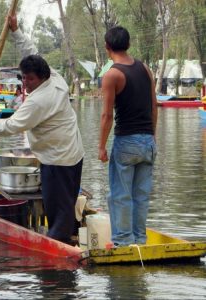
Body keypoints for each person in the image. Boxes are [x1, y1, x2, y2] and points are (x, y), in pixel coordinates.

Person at [0, 14, 84, 245]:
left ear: (41, 78)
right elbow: (30, 51)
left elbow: (11, 125)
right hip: (72, 153)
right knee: (66, 202)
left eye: (29, 79)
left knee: (58, 208)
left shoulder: (39, 100)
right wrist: (16, 30)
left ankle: (59, 245)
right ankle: (71, 233)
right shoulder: (54, 76)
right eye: (23, 78)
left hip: (58, 159)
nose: (26, 84)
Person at [98, 26, 158, 246]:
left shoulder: (112, 75)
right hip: (148, 141)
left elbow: (106, 116)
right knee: (140, 196)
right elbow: (154, 107)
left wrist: (101, 147)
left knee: (121, 195)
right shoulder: (145, 69)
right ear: (129, 44)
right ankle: (140, 240)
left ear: (107, 47)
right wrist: (152, 136)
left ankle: (124, 242)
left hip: (127, 142)